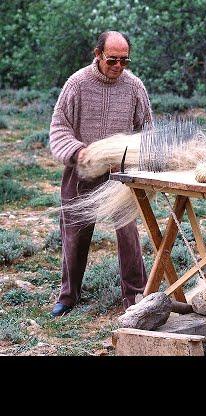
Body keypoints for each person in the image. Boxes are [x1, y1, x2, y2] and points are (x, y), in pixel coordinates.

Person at [48, 31, 153, 316]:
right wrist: (78, 152)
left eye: (125, 61)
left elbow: (146, 131)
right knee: (74, 232)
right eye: (112, 60)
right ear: (97, 55)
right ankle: (68, 296)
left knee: (128, 233)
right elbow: (59, 128)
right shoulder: (77, 84)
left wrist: (134, 160)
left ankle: (135, 297)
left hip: (121, 172)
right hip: (81, 168)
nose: (118, 67)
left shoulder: (134, 88)